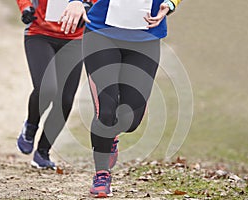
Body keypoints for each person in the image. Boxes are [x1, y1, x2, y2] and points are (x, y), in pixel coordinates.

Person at [60, 0, 181, 197]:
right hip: (101, 34)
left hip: (146, 38)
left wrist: (169, 4)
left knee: (130, 120)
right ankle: (102, 175)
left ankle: (112, 137)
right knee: (105, 111)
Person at [15, 0, 100, 169]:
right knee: (47, 88)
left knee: (65, 100)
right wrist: (26, 7)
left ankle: (42, 153)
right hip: (39, 34)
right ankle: (31, 126)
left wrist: (88, 6)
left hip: (75, 39)